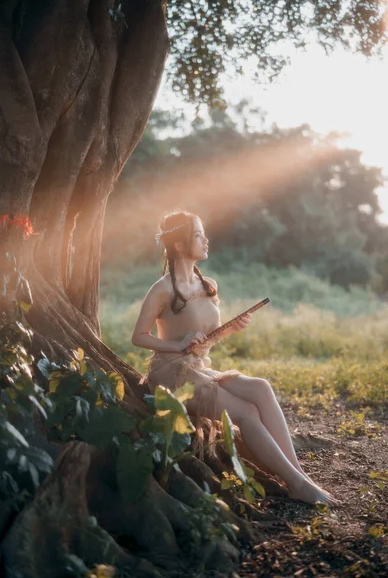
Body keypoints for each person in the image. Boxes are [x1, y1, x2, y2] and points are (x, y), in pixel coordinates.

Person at [132, 210, 339, 506]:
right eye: (198, 235)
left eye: (204, 234)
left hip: (200, 367)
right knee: (245, 412)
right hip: (171, 375)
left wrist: (229, 330)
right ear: (179, 245)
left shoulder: (208, 284)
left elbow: (206, 337)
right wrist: (179, 345)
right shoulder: (162, 289)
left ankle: (300, 475)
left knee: (261, 388)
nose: (206, 240)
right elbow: (138, 337)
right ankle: (296, 484)